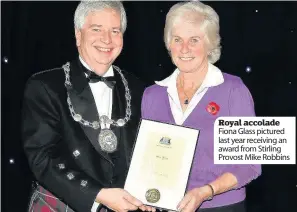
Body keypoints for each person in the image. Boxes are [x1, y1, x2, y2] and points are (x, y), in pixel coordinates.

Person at [22, 1, 153, 212]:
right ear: (78, 35)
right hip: (62, 205)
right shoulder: (45, 86)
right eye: (96, 29)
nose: (107, 39)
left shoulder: (140, 89)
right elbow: (42, 158)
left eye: (115, 30)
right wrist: (98, 195)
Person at [141, 1, 261, 212]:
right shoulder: (152, 95)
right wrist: (145, 194)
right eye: (177, 39)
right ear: (169, 44)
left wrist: (206, 191)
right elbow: (148, 161)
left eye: (194, 40)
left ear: (210, 44)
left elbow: (250, 165)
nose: (184, 49)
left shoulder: (233, 89)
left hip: (221, 207)